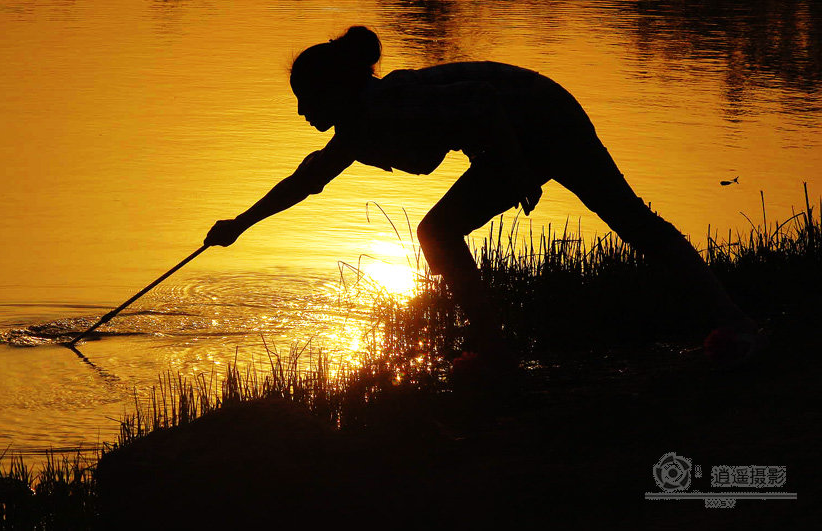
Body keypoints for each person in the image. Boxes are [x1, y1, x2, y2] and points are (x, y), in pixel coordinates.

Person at [204, 26, 760, 367]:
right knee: (438, 232)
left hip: (545, 118)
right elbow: (306, 180)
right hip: (511, 137)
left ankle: (732, 320)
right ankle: (493, 349)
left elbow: (485, 98)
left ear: (337, 91)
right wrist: (241, 223)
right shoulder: (359, 128)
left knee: (629, 220)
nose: (303, 112)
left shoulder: (392, 106)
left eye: (306, 99)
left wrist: (518, 172)